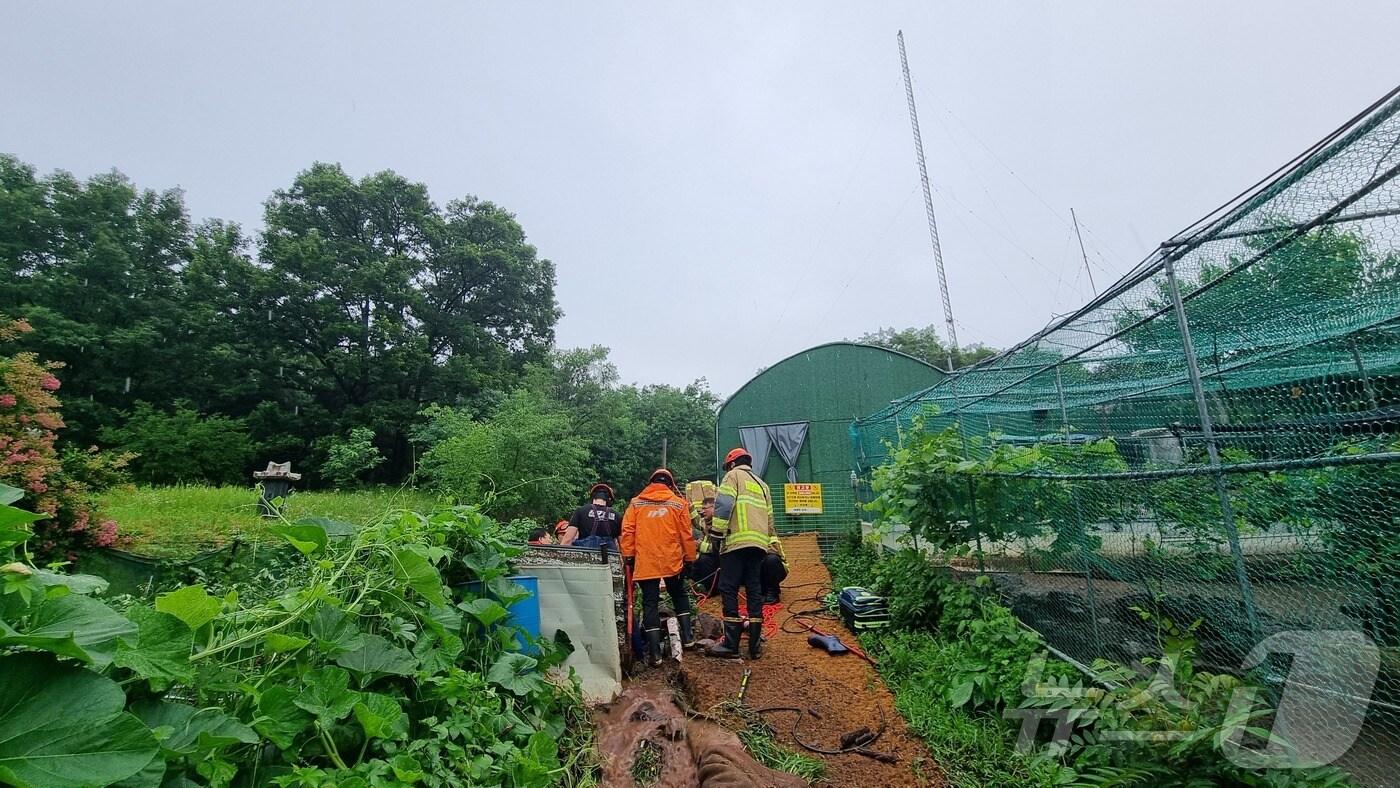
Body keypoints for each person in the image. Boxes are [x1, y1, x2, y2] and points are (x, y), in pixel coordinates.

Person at [702, 448, 776, 659]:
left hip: (735, 543)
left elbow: (724, 506)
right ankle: (754, 646)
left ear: (732, 464)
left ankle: (731, 644)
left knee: (729, 588)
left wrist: (716, 533)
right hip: (758, 545)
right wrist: (765, 542)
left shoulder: (732, 476)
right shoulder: (763, 485)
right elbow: (770, 520)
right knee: (754, 589)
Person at [621, 468, 698, 665]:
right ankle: (688, 638)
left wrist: (628, 556)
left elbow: (628, 531)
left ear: (650, 483)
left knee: (650, 602)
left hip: (646, 562)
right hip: (672, 561)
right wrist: (689, 559)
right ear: (670, 484)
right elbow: (686, 534)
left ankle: (655, 655)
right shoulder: (678, 504)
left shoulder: (636, 503)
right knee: (679, 594)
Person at [568, 483, 620, 549]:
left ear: (593, 497)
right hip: (609, 557)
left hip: (584, 556)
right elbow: (623, 543)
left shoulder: (580, 511)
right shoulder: (617, 516)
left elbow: (568, 539)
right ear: (609, 500)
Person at [761, 533, 789, 603]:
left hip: (773, 566)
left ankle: (772, 591)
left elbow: (774, 550)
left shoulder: (766, 527)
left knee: (771, 559)